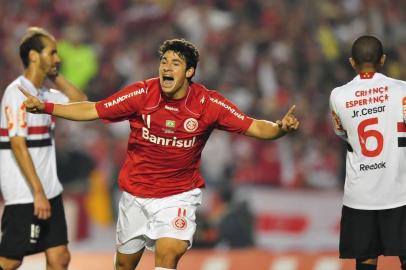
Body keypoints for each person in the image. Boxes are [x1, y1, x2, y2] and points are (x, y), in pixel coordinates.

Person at [19, 38, 299, 270]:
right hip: (135, 194)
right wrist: (46, 107)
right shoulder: (142, 93)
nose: (166, 67)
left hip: (178, 195)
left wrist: (279, 128)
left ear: (189, 71)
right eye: (164, 61)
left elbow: (253, 126)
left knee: (168, 252)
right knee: (125, 265)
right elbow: (92, 109)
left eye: (175, 63)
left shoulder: (208, 104)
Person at [0, 27, 87, 270]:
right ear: (34, 56)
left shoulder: (45, 94)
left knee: (60, 258)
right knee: (10, 260)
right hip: (26, 192)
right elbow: (18, 145)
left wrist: (55, 76)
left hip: (50, 190)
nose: (57, 58)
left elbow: (82, 104)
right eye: (52, 52)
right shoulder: (16, 92)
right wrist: (37, 192)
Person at [329, 35, 406, 270]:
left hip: (360, 195)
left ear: (352, 62)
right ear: (382, 60)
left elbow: (342, 133)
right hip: (399, 190)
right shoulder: (402, 90)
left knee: (366, 261)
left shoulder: (338, 95)